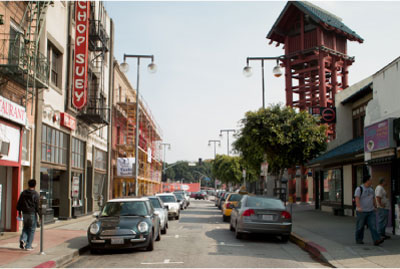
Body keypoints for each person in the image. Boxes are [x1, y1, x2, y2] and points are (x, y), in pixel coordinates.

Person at [354, 175, 384, 246]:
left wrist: (375, 206)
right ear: (367, 181)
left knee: (373, 226)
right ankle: (359, 239)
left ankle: (376, 240)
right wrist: (359, 207)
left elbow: (373, 199)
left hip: (370, 211)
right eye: (370, 180)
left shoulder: (371, 189)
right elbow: (357, 198)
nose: (372, 181)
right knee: (360, 226)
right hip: (361, 211)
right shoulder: (359, 189)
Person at [16, 179, 40, 251]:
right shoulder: (35, 194)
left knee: (25, 227)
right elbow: (37, 206)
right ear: (35, 185)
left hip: (25, 213)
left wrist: (19, 212)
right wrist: (40, 215)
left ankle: (23, 239)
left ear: (28, 184)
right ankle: (28, 245)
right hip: (32, 213)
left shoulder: (23, 193)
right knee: (32, 229)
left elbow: (19, 203)